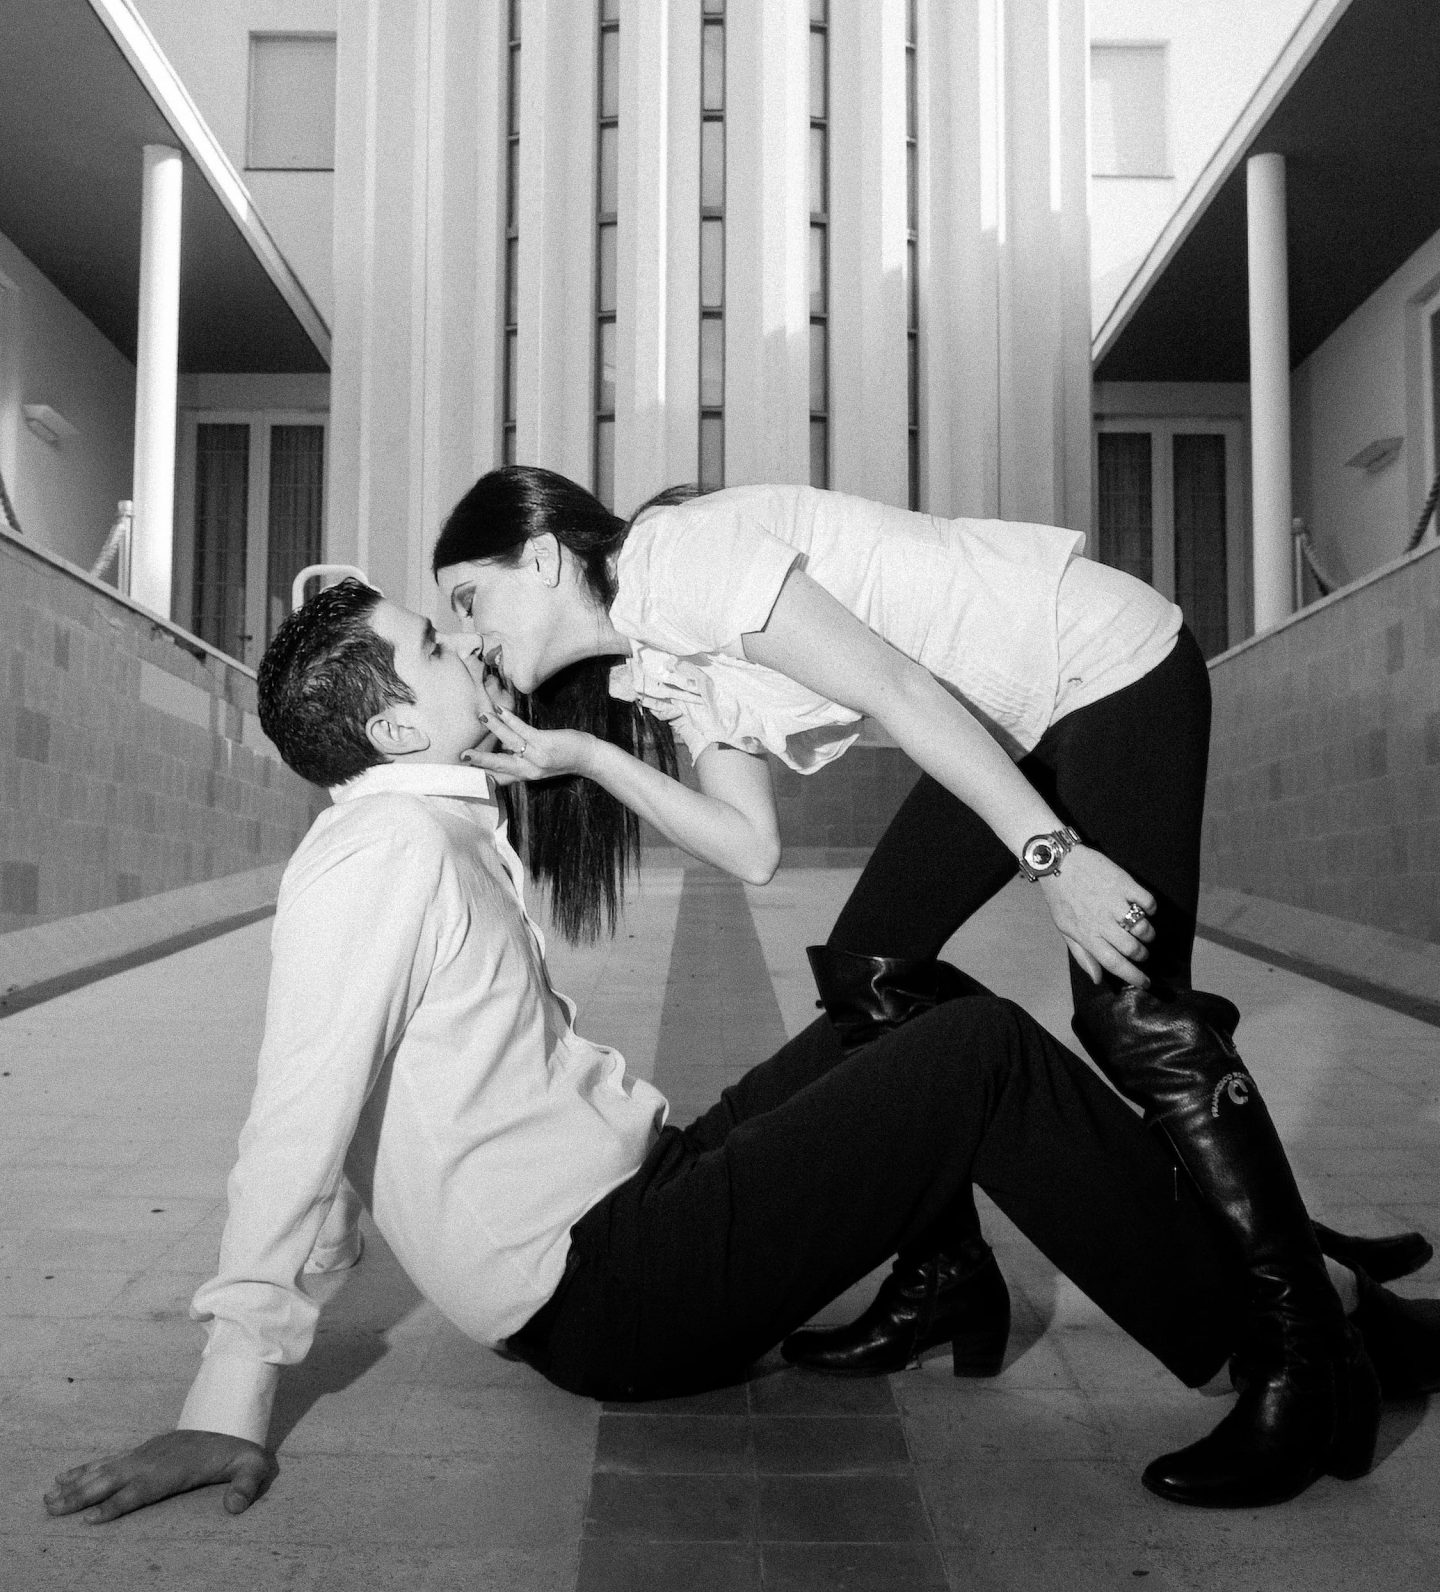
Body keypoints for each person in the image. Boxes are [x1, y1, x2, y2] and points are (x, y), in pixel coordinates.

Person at [42, 580, 1436, 1532]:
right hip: (610, 1288)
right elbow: (298, 1112)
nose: (464, 635)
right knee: (982, 1059)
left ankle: (1180, 1295)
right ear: (396, 723)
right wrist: (232, 1388)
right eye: (431, 640)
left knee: (907, 1003)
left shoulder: (435, 822)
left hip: (650, 1189)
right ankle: (1300, 1357)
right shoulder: (376, 855)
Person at [431, 467, 1432, 1504]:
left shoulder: (673, 561)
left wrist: (1055, 859)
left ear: (542, 557)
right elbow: (751, 844)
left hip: (1101, 665)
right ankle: (949, 1273)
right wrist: (589, 755)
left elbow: (897, 691)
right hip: (1011, 719)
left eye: (468, 598)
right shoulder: (656, 660)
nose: (465, 636)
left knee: (1132, 1010)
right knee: (875, 974)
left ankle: (1306, 1359)